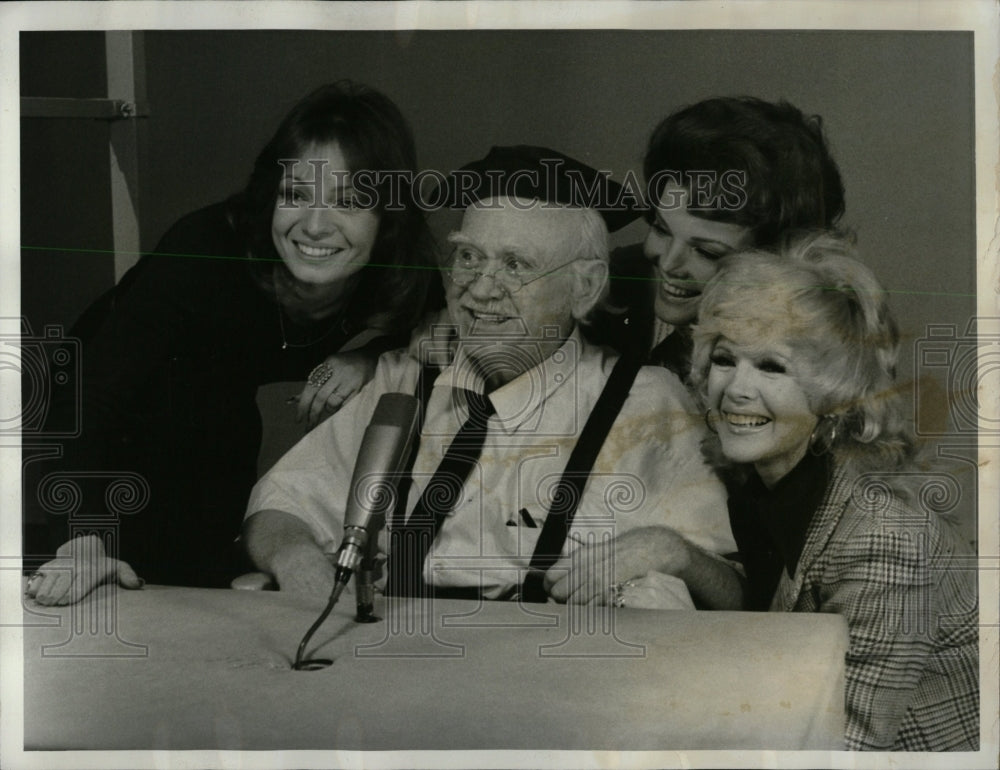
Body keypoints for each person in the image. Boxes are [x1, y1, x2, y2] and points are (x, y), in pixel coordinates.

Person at [242, 147, 741, 607]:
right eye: (468, 258)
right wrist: (295, 557)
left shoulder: (645, 402)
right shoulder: (402, 382)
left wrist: (667, 550)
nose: (480, 289)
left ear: (584, 289)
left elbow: (731, 591)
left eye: (516, 266)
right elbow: (282, 505)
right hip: (388, 657)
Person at [25, 80, 441, 605]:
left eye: (349, 202)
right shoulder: (204, 252)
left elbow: (442, 333)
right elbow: (95, 397)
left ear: (388, 219)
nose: (314, 226)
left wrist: (368, 357)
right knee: (211, 435)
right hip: (99, 412)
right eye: (296, 195)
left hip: (211, 416)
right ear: (272, 194)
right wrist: (83, 540)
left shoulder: (405, 274)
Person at [687, 232, 979, 750]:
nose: (735, 389)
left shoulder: (884, 536)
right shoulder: (764, 483)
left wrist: (684, 640)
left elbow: (849, 744)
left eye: (773, 367)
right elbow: (771, 619)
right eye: (725, 358)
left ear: (834, 393)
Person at [588, 96, 846, 379]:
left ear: (774, 260)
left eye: (707, 252)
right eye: (661, 229)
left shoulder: (799, 357)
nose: (670, 263)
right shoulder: (611, 281)